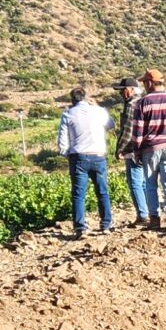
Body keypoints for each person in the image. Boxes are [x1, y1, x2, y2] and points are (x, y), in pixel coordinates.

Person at [129, 69, 166, 231]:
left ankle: (154, 218)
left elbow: (138, 132)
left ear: (149, 83)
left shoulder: (142, 103)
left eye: (144, 82)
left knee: (150, 184)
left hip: (151, 148)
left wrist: (137, 151)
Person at [56, 85, 114, 237]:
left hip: (79, 156)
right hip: (98, 155)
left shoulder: (68, 114)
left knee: (78, 194)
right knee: (102, 191)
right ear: (86, 97)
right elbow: (111, 125)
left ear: (72, 99)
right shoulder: (98, 111)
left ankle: (81, 228)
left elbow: (63, 139)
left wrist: (67, 154)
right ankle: (106, 225)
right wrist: (99, 107)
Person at [114, 76, 153, 225]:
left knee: (135, 182)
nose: (121, 94)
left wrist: (120, 149)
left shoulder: (131, 106)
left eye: (122, 90)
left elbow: (128, 131)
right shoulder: (144, 102)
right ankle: (150, 212)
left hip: (133, 149)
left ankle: (142, 215)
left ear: (130, 90)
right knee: (144, 182)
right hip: (146, 148)